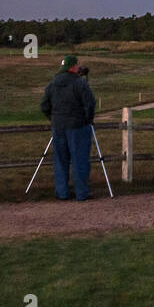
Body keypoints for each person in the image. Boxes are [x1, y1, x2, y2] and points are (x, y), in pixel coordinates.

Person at [39, 54, 96, 201]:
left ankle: (62, 192)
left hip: (58, 127)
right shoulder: (79, 83)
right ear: (73, 67)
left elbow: (44, 105)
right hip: (77, 126)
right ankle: (81, 192)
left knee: (60, 160)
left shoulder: (52, 83)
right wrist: (87, 120)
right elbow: (90, 104)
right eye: (77, 65)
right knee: (80, 160)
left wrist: (53, 118)